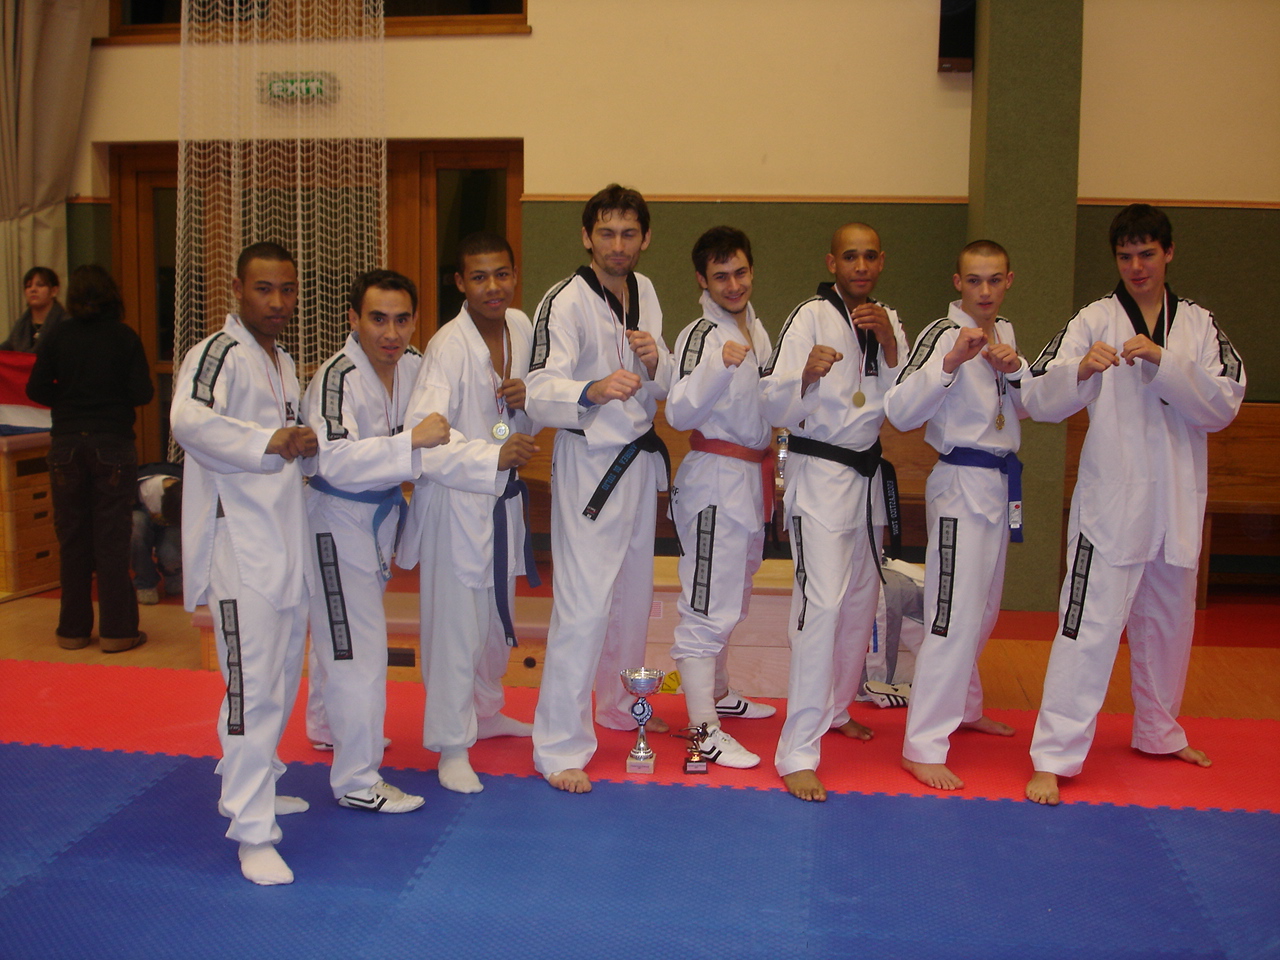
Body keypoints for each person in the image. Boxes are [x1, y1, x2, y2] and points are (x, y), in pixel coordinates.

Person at [1021, 204, 1245, 806]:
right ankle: (1053, 755)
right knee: (1086, 627)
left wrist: (1163, 360)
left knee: (1169, 624)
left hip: (1175, 498)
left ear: (1168, 253)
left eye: (1147, 254)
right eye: (1126, 256)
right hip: (1112, 502)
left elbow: (1225, 401)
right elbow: (1035, 396)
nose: (1137, 266)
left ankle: (1159, 731)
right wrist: (1080, 372)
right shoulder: (1094, 319)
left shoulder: (1198, 325)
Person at [171, 242, 318, 886]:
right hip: (237, 543)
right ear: (237, 288)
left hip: (283, 537)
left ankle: (257, 782)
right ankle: (252, 831)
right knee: (250, 687)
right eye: (264, 289)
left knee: (279, 676)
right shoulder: (216, 354)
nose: (278, 302)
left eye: (287, 289)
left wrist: (300, 441)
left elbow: (287, 446)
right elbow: (187, 419)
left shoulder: (282, 362)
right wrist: (268, 440)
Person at [525, 184, 675, 793]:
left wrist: (656, 361)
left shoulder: (647, 292)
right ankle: (558, 746)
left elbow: (663, 386)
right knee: (583, 605)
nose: (618, 245)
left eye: (629, 233)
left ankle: (618, 704)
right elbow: (537, 390)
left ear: (645, 238)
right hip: (589, 463)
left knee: (633, 597)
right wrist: (590, 389)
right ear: (587, 237)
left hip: (637, 459)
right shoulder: (563, 301)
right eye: (606, 233)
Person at [759, 222, 907, 802]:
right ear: (832, 262)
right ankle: (797, 751)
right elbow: (772, 404)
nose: (861, 266)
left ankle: (836, 707)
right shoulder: (808, 317)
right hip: (818, 474)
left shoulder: (888, 319)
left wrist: (891, 348)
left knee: (860, 602)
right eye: (850, 256)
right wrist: (804, 374)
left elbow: (905, 404)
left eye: (870, 256)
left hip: (866, 476)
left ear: (881, 261)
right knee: (819, 607)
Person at [302, 269, 453, 815]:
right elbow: (331, 458)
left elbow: (457, 425)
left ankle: (326, 725)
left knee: (339, 634)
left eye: (402, 319)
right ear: (353, 319)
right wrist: (410, 440)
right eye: (378, 319)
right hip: (335, 520)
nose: (391, 333)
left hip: (377, 516)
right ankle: (357, 780)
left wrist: (504, 431)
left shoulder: (415, 366)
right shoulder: (336, 377)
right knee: (357, 649)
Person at [399, 232, 542, 794]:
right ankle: (451, 746)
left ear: (515, 275)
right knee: (455, 629)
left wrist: (524, 407)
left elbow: (511, 418)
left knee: (493, 624)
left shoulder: (521, 328)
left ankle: (486, 709)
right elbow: (425, 440)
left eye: (501, 274)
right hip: (455, 505)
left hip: (500, 501)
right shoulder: (447, 347)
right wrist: (491, 455)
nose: (492, 287)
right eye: (479, 277)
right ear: (460, 283)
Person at [884, 240, 1024, 791]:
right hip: (960, 485)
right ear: (957, 283)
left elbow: (1025, 404)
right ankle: (922, 744)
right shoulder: (942, 335)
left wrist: (1016, 371)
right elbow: (899, 410)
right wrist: (950, 363)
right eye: (974, 281)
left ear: (1008, 281)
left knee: (983, 609)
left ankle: (964, 706)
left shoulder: (1005, 331)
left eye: (994, 280)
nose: (984, 291)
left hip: (999, 481)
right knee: (950, 613)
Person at [665, 226, 776, 769]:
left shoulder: (757, 326)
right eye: (720, 276)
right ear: (702, 280)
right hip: (714, 480)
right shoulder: (701, 336)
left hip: (750, 477)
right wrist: (720, 365)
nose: (733, 284)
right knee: (707, 602)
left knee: (735, 594)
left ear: (752, 269)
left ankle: (719, 693)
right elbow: (678, 411)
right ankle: (702, 727)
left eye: (740, 272)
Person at [26, 265, 153, 651]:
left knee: (73, 539)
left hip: (66, 443)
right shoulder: (124, 337)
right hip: (111, 441)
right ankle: (118, 631)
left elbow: (35, 388)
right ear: (113, 296)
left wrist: (68, 400)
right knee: (111, 541)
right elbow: (143, 392)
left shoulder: (58, 335)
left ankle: (73, 630)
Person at [132, 461, 183, 605]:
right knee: (135, 530)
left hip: (171, 510)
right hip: (140, 508)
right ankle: (145, 582)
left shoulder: (189, 489)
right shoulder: (148, 489)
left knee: (171, 550)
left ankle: (173, 571)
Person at [2, 267, 67, 353]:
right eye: (28, 286)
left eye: (40, 285)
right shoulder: (20, 325)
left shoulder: (66, 323)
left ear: (54, 291)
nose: (33, 289)